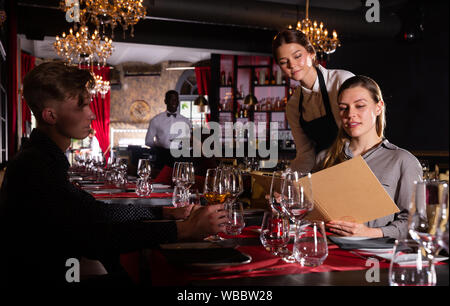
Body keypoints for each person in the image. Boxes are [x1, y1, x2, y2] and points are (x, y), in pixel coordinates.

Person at [0, 62, 227, 287]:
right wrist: (183, 230)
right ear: (50, 115)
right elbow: (96, 237)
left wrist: (163, 212)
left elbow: (96, 211)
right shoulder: (35, 165)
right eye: (82, 106)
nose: (91, 115)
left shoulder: (41, 156)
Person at [314, 75, 422, 239]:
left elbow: (416, 222)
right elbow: (311, 212)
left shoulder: (403, 161)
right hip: (327, 252)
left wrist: (372, 233)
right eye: (344, 108)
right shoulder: (325, 158)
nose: (351, 114)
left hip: (375, 257)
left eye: (360, 106)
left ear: (378, 107)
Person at [272, 29, 354, 172]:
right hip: (324, 175)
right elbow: (306, 155)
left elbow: (364, 138)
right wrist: (289, 180)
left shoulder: (342, 81)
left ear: (311, 53)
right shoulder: (293, 106)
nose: (292, 65)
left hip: (357, 167)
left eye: (297, 56)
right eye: (284, 62)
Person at [145, 90, 192, 170]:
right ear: (165, 101)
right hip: (162, 157)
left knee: (180, 180)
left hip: (181, 156)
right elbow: (148, 141)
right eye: (171, 99)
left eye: (176, 99)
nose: (174, 102)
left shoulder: (186, 121)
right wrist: (160, 146)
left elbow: (190, 140)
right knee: (161, 181)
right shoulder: (156, 120)